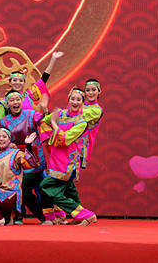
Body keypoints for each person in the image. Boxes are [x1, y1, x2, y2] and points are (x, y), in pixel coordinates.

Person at [38, 87, 97, 225]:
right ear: (68, 99)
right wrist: (46, 112)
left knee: (46, 187)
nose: (75, 102)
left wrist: (54, 124)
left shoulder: (81, 122)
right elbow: (45, 121)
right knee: (70, 190)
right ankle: (78, 217)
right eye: (73, 99)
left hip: (67, 163)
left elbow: (65, 139)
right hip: (55, 159)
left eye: (78, 100)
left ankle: (86, 215)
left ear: (83, 102)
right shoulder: (61, 114)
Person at [0, 89, 49, 223]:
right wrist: (8, 144)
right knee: (18, 189)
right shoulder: (4, 121)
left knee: (26, 190)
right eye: (12, 100)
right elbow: (1, 138)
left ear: (21, 101)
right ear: (7, 104)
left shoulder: (31, 115)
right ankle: (20, 216)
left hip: (33, 159)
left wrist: (45, 111)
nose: (15, 102)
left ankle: (45, 217)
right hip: (16, 161)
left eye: (18, 99)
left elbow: (46, 122)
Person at [0, 128, 39, 225]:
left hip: (11, 194)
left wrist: (28, 145)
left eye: (4, 137)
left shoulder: (16, 154)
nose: (1, 139)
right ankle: (6, 217)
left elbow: (31, 164)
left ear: (9, 139)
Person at [0, 51, 63, 128]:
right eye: (14, 80)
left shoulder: (28, 95)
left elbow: (43, 79)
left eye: (20, 80)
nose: (17, 83)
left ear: (24, 83)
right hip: (13, 134)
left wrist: (53, 59)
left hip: (31, 133)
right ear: (10, 82)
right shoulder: (4, 102)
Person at [80, 79, 104, 168]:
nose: (90, 93)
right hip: (70, 144)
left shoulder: (97, 110)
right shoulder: (80, 105)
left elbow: (75, 115)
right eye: (87, 90)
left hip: (81, 150)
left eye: (94, 90)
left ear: (99, 91)